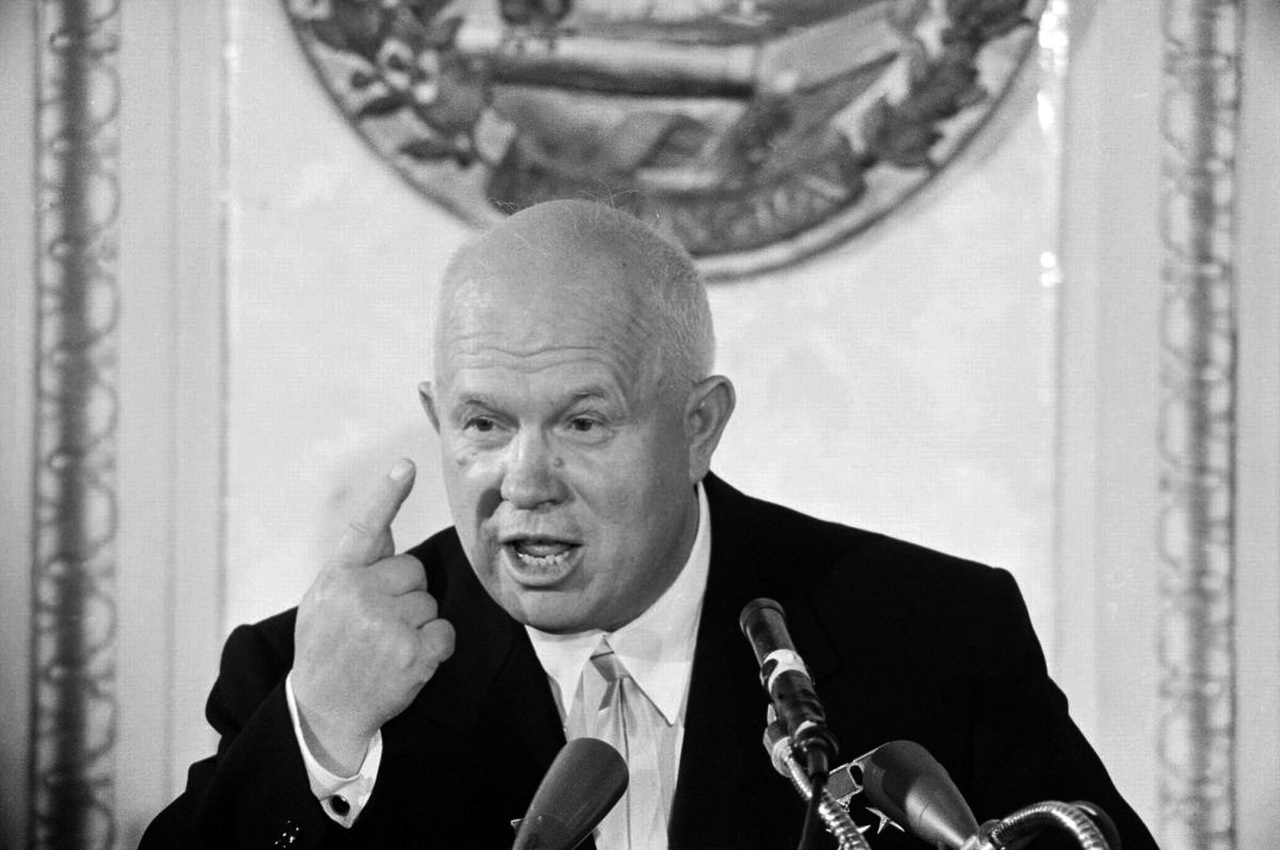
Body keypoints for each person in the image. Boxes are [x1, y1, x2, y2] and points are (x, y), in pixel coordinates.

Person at [142, 200, 1157, 849]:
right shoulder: (306, 675)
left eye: (583, 423)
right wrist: (319, 732)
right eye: (483, 424)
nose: (524, 480)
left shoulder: (932, 635)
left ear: (697, 427)